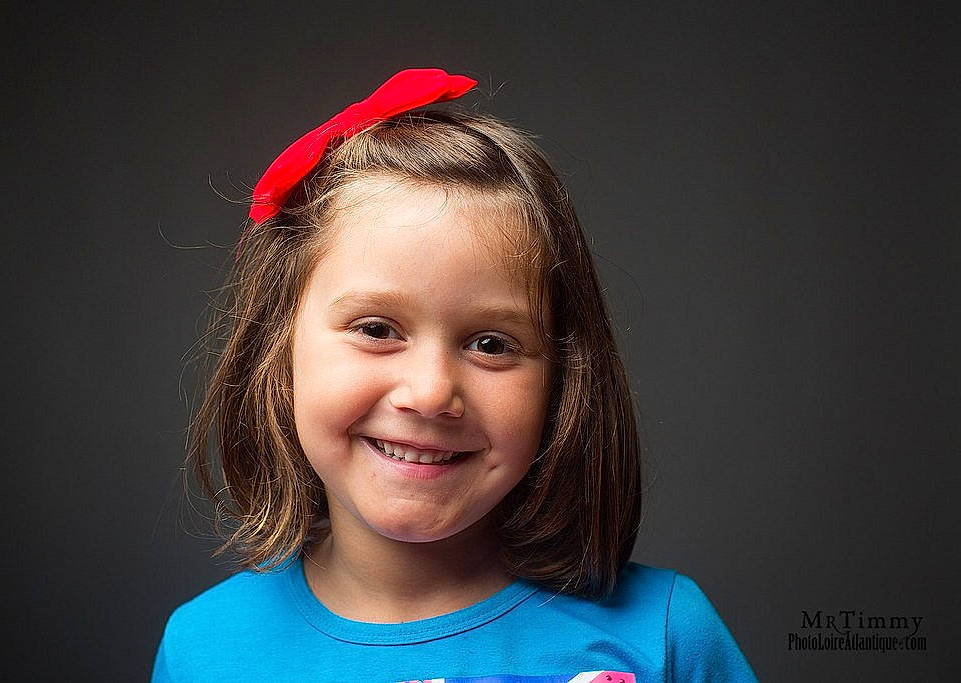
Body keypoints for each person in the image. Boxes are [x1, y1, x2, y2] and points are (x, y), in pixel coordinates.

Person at [152, 68, 756, 683]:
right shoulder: (203, 649)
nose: (432, 392)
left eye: (491, 344)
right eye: (376, 329)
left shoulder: (667, 635)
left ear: (563, 383)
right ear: (277, 349)